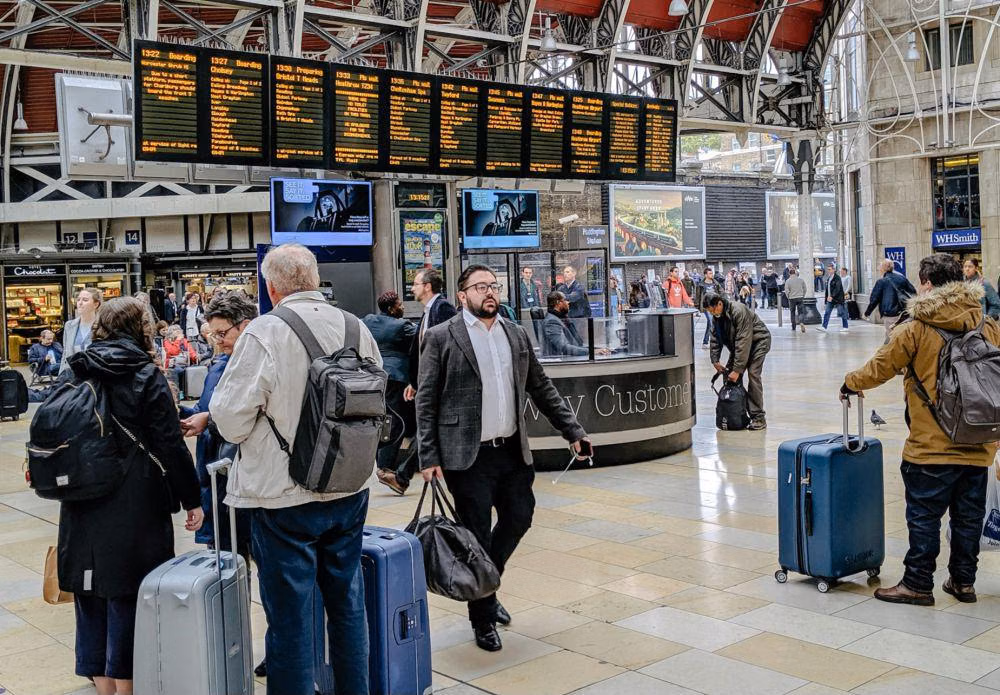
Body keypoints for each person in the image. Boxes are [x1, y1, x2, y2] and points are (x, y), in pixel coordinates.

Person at [210, 244, 381, 695]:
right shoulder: (356, 326)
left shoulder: (266, 331)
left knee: (289, 618)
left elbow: (229, 418)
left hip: (283, 497)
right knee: (348, 606)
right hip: (348, 488)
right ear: (314, 278)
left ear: (271, 287)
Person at [416, 264, 590, 652]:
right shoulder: (443, 336)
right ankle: (482, 618)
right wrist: (427, 456)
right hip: (467, 457)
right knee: (475, 535)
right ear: (463, 295)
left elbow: (541, 386)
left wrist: (572, 430)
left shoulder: (515, 333)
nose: (489, 292)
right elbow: (426, 400)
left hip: (511, 451)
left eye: (493, 285)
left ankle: (486, 585)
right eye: (480, 286)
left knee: (519, 517)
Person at [59, 297, 202, 695]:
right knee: (131, 592)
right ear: (141, 329)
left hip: (83, 498)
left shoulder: (75, 369)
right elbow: (170, 444)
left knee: (89, 591)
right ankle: (128, 687)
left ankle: (102, 686)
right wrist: (192, 499)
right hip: (135, 500)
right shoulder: (145, 374)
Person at [841, 253, 1000, 606]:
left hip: (931, 446)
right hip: (979, 444)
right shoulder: (986, 324)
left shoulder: (915, 327)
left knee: (924, 516)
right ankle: (963, 582)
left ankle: (917, 583)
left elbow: (881, 367)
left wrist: (850, 382)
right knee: (968, 518)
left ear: (926, 283)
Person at [180, 293, 257, 567]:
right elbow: (207, 408)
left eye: (222, 333)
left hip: (246, 480)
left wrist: (208, 420)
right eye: (213, 334)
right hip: (216, 475)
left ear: (244, 326)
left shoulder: (258, 367)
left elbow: (249, 416)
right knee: (227, 567)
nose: (218, 340)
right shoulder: (218, 365)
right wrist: (184, 416)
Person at [390, 269, 458, 495]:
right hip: (428, 382)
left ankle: (402, 476)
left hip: (440, 384)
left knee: (428, 427)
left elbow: (448, 348)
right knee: (427, 428)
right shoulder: (429, 311)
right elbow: (422, 351)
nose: (412, 288)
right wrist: (416, 382)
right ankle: (403, 476)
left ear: (428, 286)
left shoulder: (443, 308)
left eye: (416, 284)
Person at [364, 291, 419, 494]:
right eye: (400, 304)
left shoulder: (368, 321)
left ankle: (390, 465)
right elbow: (423, 339)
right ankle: (385, 467)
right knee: (395, 422)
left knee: (388, 419)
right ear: (392, 308)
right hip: (397, 378)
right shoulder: (403, 326)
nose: (402, 307)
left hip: (375, 376)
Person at [706, 293, 771, 430]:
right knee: (730, 378)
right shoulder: (716, 318)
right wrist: (715, 360)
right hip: (740, 347)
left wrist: (737, 370)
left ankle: (758, 417)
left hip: (758, 342)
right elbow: (715, 338)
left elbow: (744, 340)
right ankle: (737, 415)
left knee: (753, 374)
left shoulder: (738, 310)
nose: (712, 313)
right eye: (709, 311)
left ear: (719, 304)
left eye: (713, 310)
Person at [865, 259, 917, 341]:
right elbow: (913, 292)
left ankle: (893, 352)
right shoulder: (902, 278)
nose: (878, 269)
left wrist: (867, 313)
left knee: (892, 337)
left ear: (883, 269)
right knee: (896, 335)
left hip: (890, 313)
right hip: (903, 312)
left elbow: (874, 299)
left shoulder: (881, 281)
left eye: (879, 267)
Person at [60, 287, 102, 374]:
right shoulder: (69, 326)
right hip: (74, 378)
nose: (80, 303)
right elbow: (65, 354)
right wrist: (61, 378)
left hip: (96, 377)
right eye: (78, 299)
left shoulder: (103, 325)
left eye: (85, 300)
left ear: (96, 304)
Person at [542, 291, 588, 358]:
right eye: (565, 300)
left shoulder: (561, 317)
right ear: (558, 303)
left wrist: (595, 349)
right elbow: (564, 347)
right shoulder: (551, 321)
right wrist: (591, 352)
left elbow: (578, 343)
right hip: (563, 359)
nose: (568, 302)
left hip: (571, 354)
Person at [695, 268, 725, 349]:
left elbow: (721, 292)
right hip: (707, 306)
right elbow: (697, 296)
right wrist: (697, 306)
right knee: (711, 321)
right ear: (705, 275)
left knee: (711, 324)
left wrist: (723, 300)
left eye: (712, 273)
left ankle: (705, 342)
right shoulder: (701, 285)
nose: (712, 275)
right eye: (710, 273)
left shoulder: (715, 283)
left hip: (715, 306)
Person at [817, 263, 849, 333]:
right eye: (828, 269)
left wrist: (832, 296)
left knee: (842, 312)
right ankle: (824, 327)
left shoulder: (837, 278)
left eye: (830, 269)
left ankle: (845, 327)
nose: (828, 271)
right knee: (827, 312)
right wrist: (827, 299)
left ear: (834, 270)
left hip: (838, 299)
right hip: (830, 299)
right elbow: (827, 289)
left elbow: (837, 289)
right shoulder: (829, 278)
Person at [784, 267, 808, 333]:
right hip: (800, 297)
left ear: (789, 273)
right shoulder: (801, 280)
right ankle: (801, 322)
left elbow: (786, 290)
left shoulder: (788, 281)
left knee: (792, 312)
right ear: (795, 273)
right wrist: (803, 295)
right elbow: (805, 289)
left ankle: (793, 326)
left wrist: (788, 296)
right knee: (801, 312)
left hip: (792, 298)